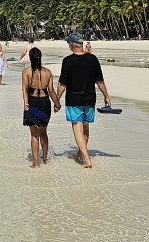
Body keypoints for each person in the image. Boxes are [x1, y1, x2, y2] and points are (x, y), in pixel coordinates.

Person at [55, 32, 111, 168]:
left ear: (72, 45)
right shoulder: (93, 59)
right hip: (90, 99)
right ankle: (81, 153)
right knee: (85, 127)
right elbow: (100, 81)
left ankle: (86, 160)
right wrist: (106, 96)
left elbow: (63, 83)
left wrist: (57, 100)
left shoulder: (68, 61)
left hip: (74, 100)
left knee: (77, 129)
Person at [21, 47, 60, 168]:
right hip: (45, 102)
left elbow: (24, 90)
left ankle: (35, 163)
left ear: (30, 58)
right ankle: (44, 159)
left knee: (34, 134)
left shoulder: (26, 72)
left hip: (32, 102)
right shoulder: (47, 72)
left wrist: (26, 105)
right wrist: (57, 104)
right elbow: (51, 91)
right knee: (43, 133)